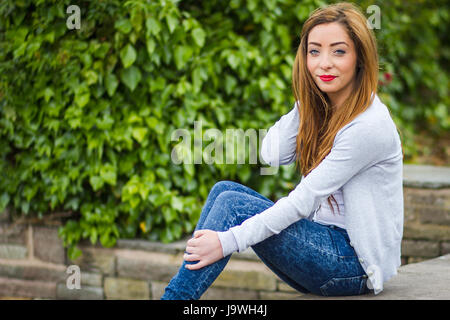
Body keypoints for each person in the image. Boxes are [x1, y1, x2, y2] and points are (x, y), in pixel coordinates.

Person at [161, 2, 404, 300]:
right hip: (325, 248)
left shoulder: (368, 126)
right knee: (224, 190)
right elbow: (272, 155)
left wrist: (228, 241)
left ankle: (175, 299)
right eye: (314, 51)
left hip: (352, 266)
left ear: (360, 58)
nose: (324, 63)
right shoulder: (325, 105)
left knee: (233, 206)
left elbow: (303, 201)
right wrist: (306, 103)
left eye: (338, 51)